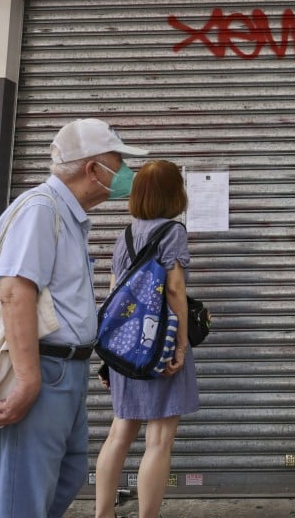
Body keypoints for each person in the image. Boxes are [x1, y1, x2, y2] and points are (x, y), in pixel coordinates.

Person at [0, 118, 149, 518]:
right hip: (40, 370)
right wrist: (27, 382)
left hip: (65, 371)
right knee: (21, 499)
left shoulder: (65, 215)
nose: (124, 174)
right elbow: (14, 293)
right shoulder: (40, 209)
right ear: (93, 169)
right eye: (118, 163)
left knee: (65, 477)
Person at [94, 159, 198, 518]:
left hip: (124, 348)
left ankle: (103, 513)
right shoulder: (173, 232)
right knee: (159, 439)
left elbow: (113, 296)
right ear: (175, 194)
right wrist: (181, 345)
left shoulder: (125, 235)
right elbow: (175, 290)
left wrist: (110, 355)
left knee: (120, 433)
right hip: (160, 346)